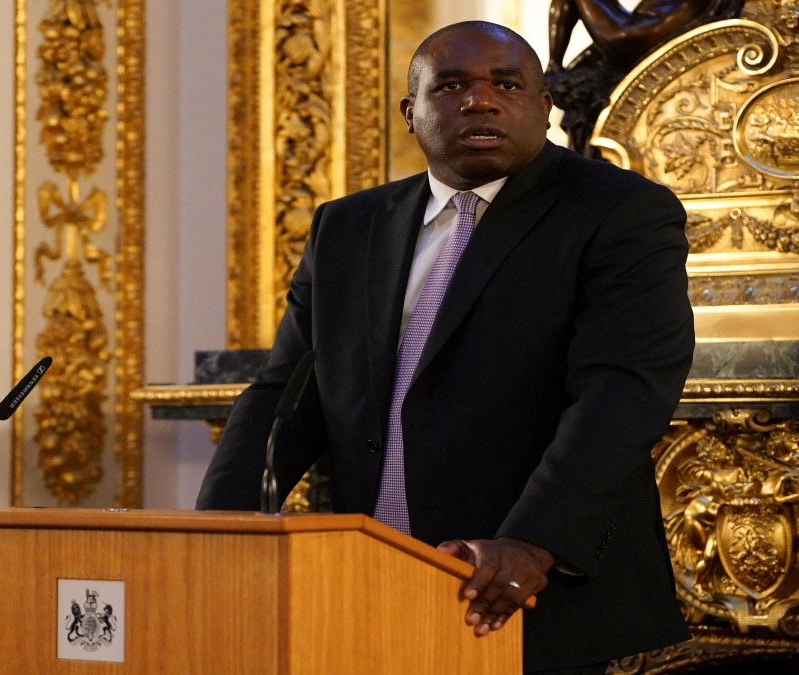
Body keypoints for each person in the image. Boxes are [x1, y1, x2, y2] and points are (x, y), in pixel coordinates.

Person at [197, 20, 693, 673]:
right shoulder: (347, 226)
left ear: (544, 106)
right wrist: (216, 529)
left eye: (506, 85)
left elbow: (622, 394)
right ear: (411, 112)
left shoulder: (620, 211)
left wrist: (531, 542)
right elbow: (283, 392)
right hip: (372, 575)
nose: (480, 100)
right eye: (452, 85)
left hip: (523, 586)